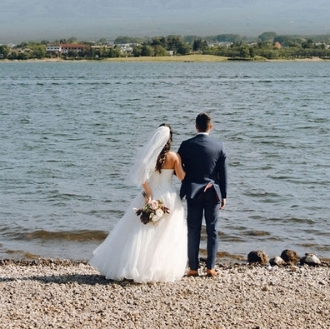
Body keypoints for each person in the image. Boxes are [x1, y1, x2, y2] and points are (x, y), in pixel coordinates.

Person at [89, 124, 188, 283]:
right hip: (169, 197)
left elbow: (142, 177)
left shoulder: (149, 156)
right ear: (170, 140)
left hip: (152, 194)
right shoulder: (174, 157)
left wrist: (149, 193)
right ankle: (158, 268)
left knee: (141, 231)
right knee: (166, 234)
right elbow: (182, 177)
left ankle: (134, 266)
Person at [178, 112, 227, 277]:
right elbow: (223, 173)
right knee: (212, 229)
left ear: (196, 126)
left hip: (193, 191)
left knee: (193, 230)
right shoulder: (219, 146)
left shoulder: (186, 145)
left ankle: (193, 268)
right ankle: (210, 267)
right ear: (210, 127)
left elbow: (180, 169)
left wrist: (187, 182)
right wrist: (224, 195)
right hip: (213, 192)